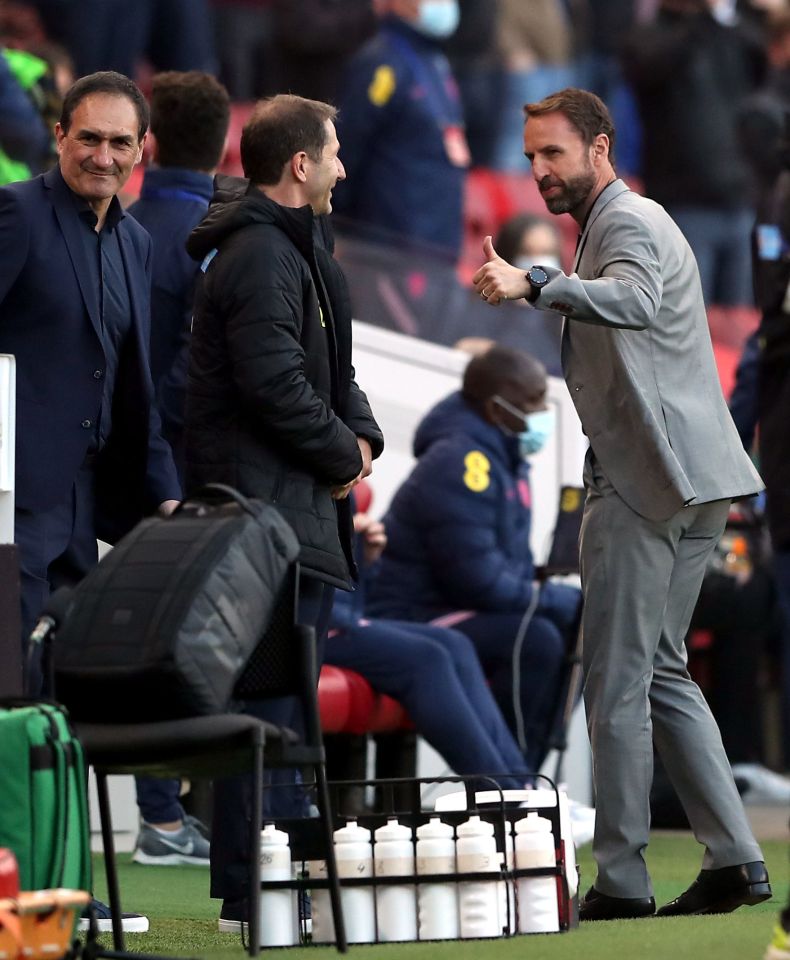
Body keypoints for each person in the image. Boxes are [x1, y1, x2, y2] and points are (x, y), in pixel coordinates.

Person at [472, 86, 770, 920]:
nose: (537, 171)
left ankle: (624, 881)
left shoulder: (627, 223)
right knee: (663, 671)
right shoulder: (632, 218)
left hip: (649, 483)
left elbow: (635, 305)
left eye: (553, 153)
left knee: (618, 680)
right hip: (695, 479)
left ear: (599, 148)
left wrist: (538, 282)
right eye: (530, 156)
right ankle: (736, 860)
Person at [184, 93, 384, 930]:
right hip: (265, 521)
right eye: (332, 153)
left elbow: (330, 371)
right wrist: (345, 456)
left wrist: (362, 434)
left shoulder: (298, 247)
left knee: (281, 708)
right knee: (262, 708)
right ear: (300, 165)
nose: (342, 166)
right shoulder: (261, 254)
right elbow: (276, 387)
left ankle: (273, 883)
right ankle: (247, 891)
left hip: (291, 516)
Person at [0, 69, 183, 932]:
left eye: (120, 143)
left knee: (57, 699)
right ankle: (15, 884)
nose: (103, 155)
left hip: (84, 501)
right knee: (7, 694)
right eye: (89, 138)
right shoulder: (15, 214)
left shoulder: (138, 242)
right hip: (9, 504)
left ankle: (58, 880)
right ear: (60, 138)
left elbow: (133, 379)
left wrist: (166, 500)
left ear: (141, 152)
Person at [366, 345, 580, 773]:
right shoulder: (462, 461)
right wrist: (555, 599)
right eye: (531, 403)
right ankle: (512, 782)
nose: (542, 413)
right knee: (539, 638)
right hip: (415, 613)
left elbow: (504, 570)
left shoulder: (502, 454)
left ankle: (527, 778)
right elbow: (476, 581)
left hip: (459, 609)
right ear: (496, 408)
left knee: (578, 626)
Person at [126, 69, 231, 869]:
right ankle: (167, 817)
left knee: (136, 636)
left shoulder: (125, 227)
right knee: (181, 644)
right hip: (188, 468)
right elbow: (189, 374)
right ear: (223, 140)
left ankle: (166, 815)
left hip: (119, 463)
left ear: (148, 143)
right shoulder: (216, 236)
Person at [327, 498, 532, 792]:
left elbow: (347, 592)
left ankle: (522, 783)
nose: (367, 468)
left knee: (456, 643)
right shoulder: (308, 475)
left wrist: (363, 559)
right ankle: (501, 795)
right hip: (309, 622)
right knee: (428, 657)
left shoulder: (339, 484)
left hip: (341, 615)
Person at [332, 0, 468, 261]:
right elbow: (346, 149)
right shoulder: (381, 62)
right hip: (391, 245)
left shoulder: (434, 60)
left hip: (438, 242)